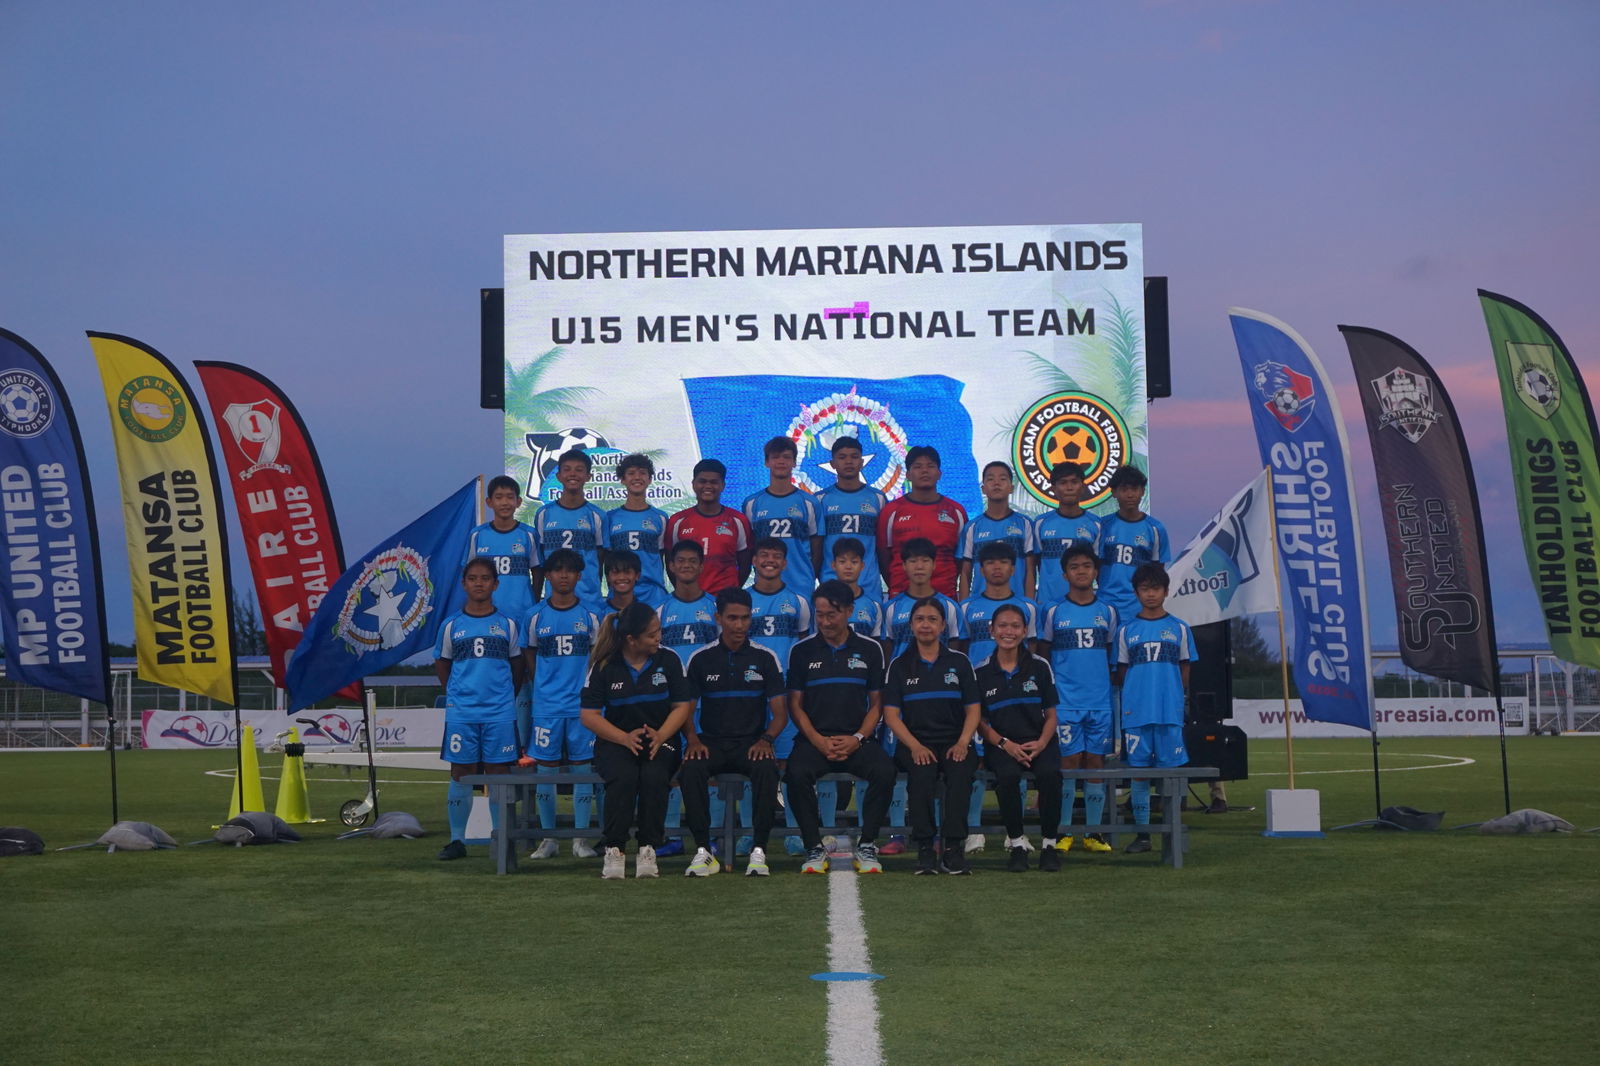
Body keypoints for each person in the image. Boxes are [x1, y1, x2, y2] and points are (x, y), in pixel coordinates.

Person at [785, 580, 896, 875]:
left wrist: (858, 738)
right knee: (795, 774)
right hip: (814, 740)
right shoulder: (801, 651)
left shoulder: (870, 649)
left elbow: (877, 704)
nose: (824, 622)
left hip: (857, 741)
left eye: (831, 615)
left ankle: (868, 844)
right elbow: (795, 705)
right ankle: (813, 846)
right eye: (819, 615)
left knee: (885, 771)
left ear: (849, 611)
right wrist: (817, 740)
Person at [579, 602, 693, 878]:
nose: (658, 638)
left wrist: (662, 734)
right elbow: (589, 715)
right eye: (652, 634)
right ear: (631, 639)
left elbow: (682, 706)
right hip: (617, 741)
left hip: (661, 739)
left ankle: (648, 847)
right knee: (624, 777)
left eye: (659, 631)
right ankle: (614, 849)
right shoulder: (605, 664)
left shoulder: (669, 660)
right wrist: (623, 737)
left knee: (654, 777)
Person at [680, 588, 788, 877]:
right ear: (718, 618)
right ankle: (703, 851)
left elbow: (780, 712)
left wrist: (767, 739)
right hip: (711, 742)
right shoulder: (701, 659)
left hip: (751, 743)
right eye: (732, 618)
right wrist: (692, 739)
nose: (739, 625)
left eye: (744, 618)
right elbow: (685, 709)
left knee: (767, 769)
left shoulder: (767, 658)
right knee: (690, 769)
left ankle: (759, 850)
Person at [881, 597, 982, 875]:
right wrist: (914, 746)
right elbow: (891, 716)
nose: (926, 625)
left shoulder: (960, 663)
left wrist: (963, 742)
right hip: (915, 742)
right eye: (920, 619)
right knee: (922, 776)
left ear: (943, 626)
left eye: (932, 619)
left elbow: (974, 710)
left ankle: (952, 849)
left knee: (960, 775)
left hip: (954, 741)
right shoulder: (899, 665)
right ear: (911, 625)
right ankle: (925, 847)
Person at [434, 558, 524, 861]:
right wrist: (457, 694)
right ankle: (457, 840)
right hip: (463, 713)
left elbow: (517, 666)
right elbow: (442, 663)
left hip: (499, 713)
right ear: (464, 583)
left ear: (496, 584)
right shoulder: (451, 625)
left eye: (485, 578)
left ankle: (500, 837)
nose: (479, 583)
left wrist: (501, 696)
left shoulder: (508, 625)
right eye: (472, 578)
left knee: (498, 774)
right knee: (461, 773)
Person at [954, 538, 1039, 854]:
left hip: (1013, 697)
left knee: (1013, 762)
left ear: (1013, 568)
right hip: (976, 693)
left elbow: (1035, 653)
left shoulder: (1029, 607)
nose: (997, 568)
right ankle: (973, 831)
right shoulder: (966, 608)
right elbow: (958, 651)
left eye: (1004, 562)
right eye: (990, 562)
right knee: (974, 763)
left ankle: (1012, 832)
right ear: (980, 568)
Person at [521, 549, 603, 860]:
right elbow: (529, 655)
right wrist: (544, 684)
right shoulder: (534, 615)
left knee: (583, 769)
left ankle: (581, 840)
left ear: (580, 575)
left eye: (570, 570)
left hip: (582, 707)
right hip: (547, 708)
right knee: (546, 771)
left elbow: (598, 657)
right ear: (549, 576)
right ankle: (549, 838)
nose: (564, 575)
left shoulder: (591, 615)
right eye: (557, 570)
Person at [1038, 544, 1119, 855]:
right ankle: (1064, 831)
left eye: (1087, 565)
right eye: (1075, 566)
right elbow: (1043, 655)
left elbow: (1112, 653)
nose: (1082, 571)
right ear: (1064, 573)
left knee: (1095, 763)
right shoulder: (1053, 611)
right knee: (1069, 763)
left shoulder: (1108, 611)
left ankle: (1094, 832)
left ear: (1096, 572)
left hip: (1099, 701)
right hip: (1066, 701)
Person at [1114, 562, 1196, 854]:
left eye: (1156, 588)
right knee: (1138, 775)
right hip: (1137, 714)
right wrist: (1138, 695)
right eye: (1145, 589)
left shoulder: (1179, 629)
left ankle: (1172, 832)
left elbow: (1184, 669)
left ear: (1166, 591)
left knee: (1170, 775)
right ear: (1136, 592)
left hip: (1168, 713)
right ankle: (1144, 834)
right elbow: (1121, 672)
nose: (1150, 594)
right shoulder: (1126, 630)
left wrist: (1173, 696)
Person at [976, 603, 1062, 872]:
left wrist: (1042, 743)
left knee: (1050, 775)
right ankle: (1017, 846)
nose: (1008, 631)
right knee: (1008, 777)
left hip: (1039, 741)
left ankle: (1049, 845)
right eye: (1002, 625)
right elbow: (978, 721)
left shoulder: (1040, 666)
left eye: (1015, 626)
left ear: (1025, 631)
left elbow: (1051, 714)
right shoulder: (980, 671)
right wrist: (1004, 744)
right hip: (1002, 745)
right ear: (992, 630)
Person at [654, 538, 720, 855]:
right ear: (671, 566)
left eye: (693, 561)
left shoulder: (714, 608)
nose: (686, 566)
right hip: (671, 701)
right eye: (680, 560)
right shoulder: (661, 610)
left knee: (706, 766)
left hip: (708, 699)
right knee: (669, 766)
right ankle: (670, 834)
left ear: (702, 566)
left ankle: (716, 834)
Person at [878, 444, 966, 598]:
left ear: (939, 473)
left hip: (944, 595)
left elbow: (961, 559)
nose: (925, 471)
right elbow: (884, 557)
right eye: (918, 466)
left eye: (930, 466)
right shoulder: (891, 511)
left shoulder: (956, 511)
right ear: (908, 474)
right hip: (902, 597)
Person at [743, 436, 822, 593]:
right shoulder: (752, 503)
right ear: (767, 462)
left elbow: (817, 548)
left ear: (794, 462)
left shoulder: (809, 503)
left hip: (801, 586)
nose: (781, 461)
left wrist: (808, 577)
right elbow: (750, 547)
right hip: (764, 587)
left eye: (786, 457)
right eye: (775, 457)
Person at [666, 458, 753, 595]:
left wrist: (731, 592)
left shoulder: (738, 520)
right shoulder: (678, 521)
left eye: (714, 482)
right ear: (694, 484)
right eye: (702, 481)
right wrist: (686, 592)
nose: (708, 486)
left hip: (725, 601)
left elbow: (745, 565)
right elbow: (670, 564)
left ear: (723, 485)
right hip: (690, 600)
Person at [816, 435, 889, 595]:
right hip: (831, 586)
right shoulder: (820, 500)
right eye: (842, 457)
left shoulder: (878, 498)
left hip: (869, 587)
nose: (849, 461)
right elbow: (816, 548)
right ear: (833, 464)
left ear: (862, 462)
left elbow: (883, 546)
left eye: (854, 457)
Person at [533, 449, 607, 606]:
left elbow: (601, 560)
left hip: (589, 600)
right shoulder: (544, 514)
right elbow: (540, 561)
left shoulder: (597, 516)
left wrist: (592, 587)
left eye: (579, 470)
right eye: (567, 469)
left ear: (588, 476)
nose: (573, 474)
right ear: (558, 476)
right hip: (553, 600)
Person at [1097, 465, 1170, 622]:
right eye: (1124, 489)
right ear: (1114, 493)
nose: (1130, 495)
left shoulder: (1156, 528)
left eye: (1134, 489)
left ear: (1142, 492)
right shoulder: (1103, 526)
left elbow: (1158, 572)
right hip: (1105, 604)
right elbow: (1095, 566)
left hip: (1138, 607)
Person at [956, 461, 1037, 600]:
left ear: (1011, 487)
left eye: (1003, 479)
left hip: (1017, 604)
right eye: (990, 479)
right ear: (983, 489)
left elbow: (1031, 570)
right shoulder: (972, 527)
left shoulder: (1025, 524)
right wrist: (964, 607)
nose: (996, 483)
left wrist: (1030, 606)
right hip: (980, 604)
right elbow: (965, 572)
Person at [602, 453, 670, 608]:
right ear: (622, 479)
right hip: (621, 592)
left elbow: (661, 556)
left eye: (642, 473)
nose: (637, 477)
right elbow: (607, 559)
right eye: (631, 473)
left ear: (650, 479)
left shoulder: (660, 518)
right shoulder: (610, 518)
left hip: (653, 594)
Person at [1031, 462, 1103, 608]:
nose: (1069, 488)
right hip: (1047, 603)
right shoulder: (1040, 523)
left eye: (1074, 482)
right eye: (1063, 483)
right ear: (1053, 489)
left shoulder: (1095, 524)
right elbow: (1035, 565)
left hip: (1083, 604)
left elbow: (1099, 569)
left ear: (1082, 487)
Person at [590, 549, 646, 617]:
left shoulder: (646, 613)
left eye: (627, 572)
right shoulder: (598, 613)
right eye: (616, 572)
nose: (621, 577)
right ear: (607, 577)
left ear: (637, 576)